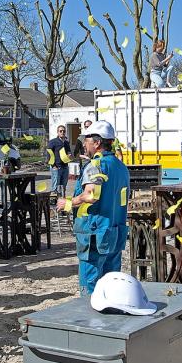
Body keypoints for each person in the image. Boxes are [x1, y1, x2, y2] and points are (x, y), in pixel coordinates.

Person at [57, 120, 129, 294]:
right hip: (115, 231)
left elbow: (90, 195)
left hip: (94, 233)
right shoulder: (121, 167)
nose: (84, 144)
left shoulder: (96, 165)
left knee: (90, 284)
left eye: (86, 140)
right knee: (111, 284)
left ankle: (88, 311)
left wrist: (68, 203)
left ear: (97, 143)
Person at [47, 125, 72, 196]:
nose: (62, 132)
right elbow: (49, 154)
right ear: (57, 132)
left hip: (65, 167)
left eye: (64, 131)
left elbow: (69, 152)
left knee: (63, 186)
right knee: (55, 187)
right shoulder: (53, 142)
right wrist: (53, 165)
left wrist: (69, 155)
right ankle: (54, 201)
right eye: (60, 131)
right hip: (56, 167)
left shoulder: (66, 142)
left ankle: (62, 200)